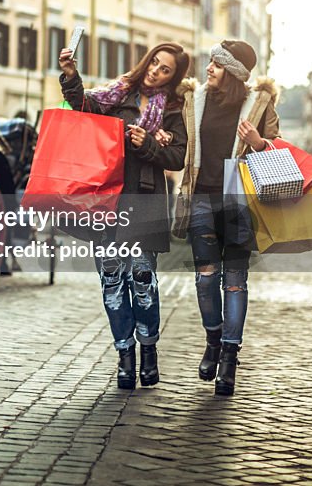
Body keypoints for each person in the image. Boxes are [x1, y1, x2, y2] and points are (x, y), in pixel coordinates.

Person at [59, 42, 189, 391]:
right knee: (113, 285)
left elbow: (177, 157)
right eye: (155, 64)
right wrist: (71, 77)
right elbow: (83, 106)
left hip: (145, 202)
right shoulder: (118, 94)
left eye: (165, 70)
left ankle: (148, 351)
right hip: (106, 201)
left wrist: (147, 143)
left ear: (173, 77)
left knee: (144, 282)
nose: (155, 72)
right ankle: (124, 356)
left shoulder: (174, 109)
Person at [173, 40, 279, 396]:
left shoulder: (259, 104)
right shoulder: (195, 100)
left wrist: (260, 142)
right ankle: (213, 341)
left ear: (232, 71)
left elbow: (280, 151)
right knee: (205, 280)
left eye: (216, 64)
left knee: (235, 282)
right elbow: (179, 142)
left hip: (239, 204)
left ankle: (230, 358)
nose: (208, 69)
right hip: (201, 199)